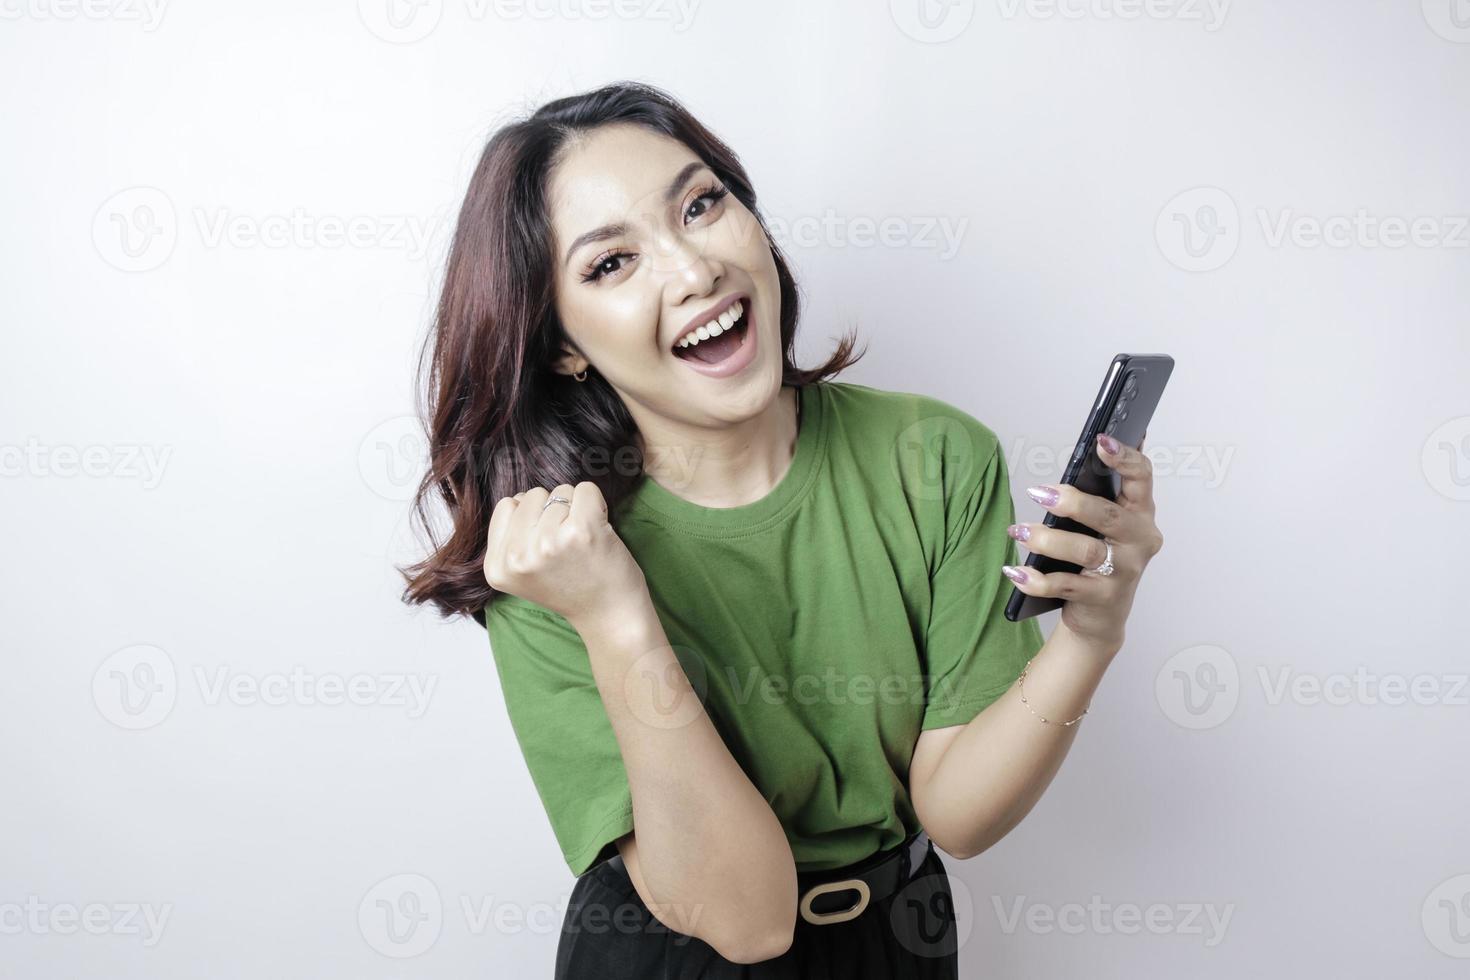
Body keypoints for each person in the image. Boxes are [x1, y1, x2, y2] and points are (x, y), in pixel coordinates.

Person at [400, 80, 1165, 978]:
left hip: (901, 936)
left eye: (700, 205)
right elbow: (745, 921)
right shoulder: (549, 556)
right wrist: (615, 618)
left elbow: (958, 814)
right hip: (673, 952)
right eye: (611, 263)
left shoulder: (935, 456)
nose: (694, 271)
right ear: (562, 344)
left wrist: (1091, 634)